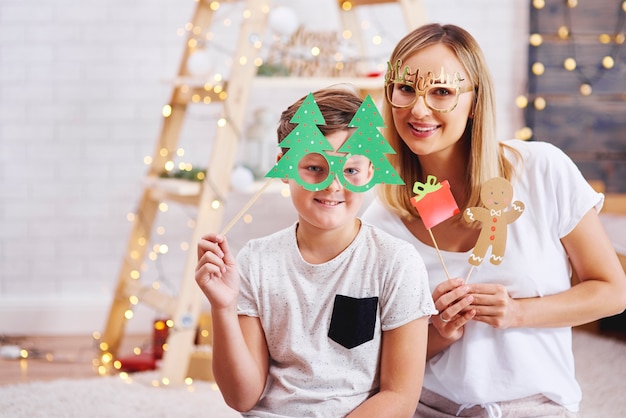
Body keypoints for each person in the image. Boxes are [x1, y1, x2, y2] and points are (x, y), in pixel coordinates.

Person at [361, 23, 626, 417]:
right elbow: (374, 355)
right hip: (429, 407)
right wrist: (439, 331)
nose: (419, 109)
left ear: (474, 102)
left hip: (536, 406)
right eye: (406, 88)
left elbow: (612, 291)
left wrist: (519, 312)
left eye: (442, 91)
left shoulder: (541, 169)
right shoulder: (381, 221)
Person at [195, 86, 437, 417]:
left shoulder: (395, 262)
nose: (333, 185)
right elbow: (242, 397)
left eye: (350, 170)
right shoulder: (255, 261)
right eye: (314, 168)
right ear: (285, 166)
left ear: (370, 172)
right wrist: (222, 307)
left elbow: (400, 396)